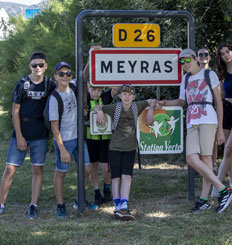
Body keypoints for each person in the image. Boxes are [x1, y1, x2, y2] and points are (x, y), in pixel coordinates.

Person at [159, 48, 232, 214]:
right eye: (181, 62)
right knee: (191, 158)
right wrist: (164, 103)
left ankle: (203, 199)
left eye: (187, 60)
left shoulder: (209, 75)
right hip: (191, 121)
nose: (185, 64)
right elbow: (181, 102)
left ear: (195, 59)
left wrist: (220, 130)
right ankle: (224, 190)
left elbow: (219, 102)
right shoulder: (185, 79)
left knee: (206, 158)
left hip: (208, 119)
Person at [0, 52, 56, 220]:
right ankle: (0, 204)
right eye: (34, 65)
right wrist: (19, 136)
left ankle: (33, 204)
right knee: (10, 168)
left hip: (40, 133)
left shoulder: (50, 84)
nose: (38, 68)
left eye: (41, 64)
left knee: (37, 168)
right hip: (21, 131)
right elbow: (15, 111)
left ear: (46, 66)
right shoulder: (22, 84)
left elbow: (64, 93)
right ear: (29, 66)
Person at [95, 84, 156, 220]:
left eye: (130, 95)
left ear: (134, 97)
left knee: (127, 177)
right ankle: (117, 205)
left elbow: (152, 101)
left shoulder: (137, 106)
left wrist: (151, 111)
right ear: (120, 96)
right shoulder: (115, 107)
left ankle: (124, 204)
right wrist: (99, 111)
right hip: (115, 148)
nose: (127, 97)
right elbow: (97, 106)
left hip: (130, 148)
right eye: (124, 94)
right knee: (116, 177)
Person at [49, 62, 99, 218]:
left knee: (87, 168)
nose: (65, 76)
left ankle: (80, 199)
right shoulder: (54, 97)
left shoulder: (74, 87)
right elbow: (54, 127)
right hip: (64, 141)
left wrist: (91, 56)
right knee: (61, 172)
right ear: (56, 76)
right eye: (61, 73)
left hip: (78, 138)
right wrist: (62, 148)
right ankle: (60, 204)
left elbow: (84, 74)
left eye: (68, 73)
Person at [83, 46, 119, 206]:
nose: (95, 92)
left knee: (106, 168)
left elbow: (118, 87)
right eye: (92, 88)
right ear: (88, 88)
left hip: (105, 138)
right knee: (92, 166)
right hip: (90, 139)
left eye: (98, 89)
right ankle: (96, 191)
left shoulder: (105, 97)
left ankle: (107, 189)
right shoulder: (84, 98)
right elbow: (83, 76)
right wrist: (92, 56)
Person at [213, 42, 232, 194]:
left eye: (228, 51)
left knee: (230, 148)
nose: (226, 55)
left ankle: (217, 184)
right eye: (222, 53)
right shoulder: (220, 73)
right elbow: (221, 96)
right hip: (226, 111)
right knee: (227, 150)